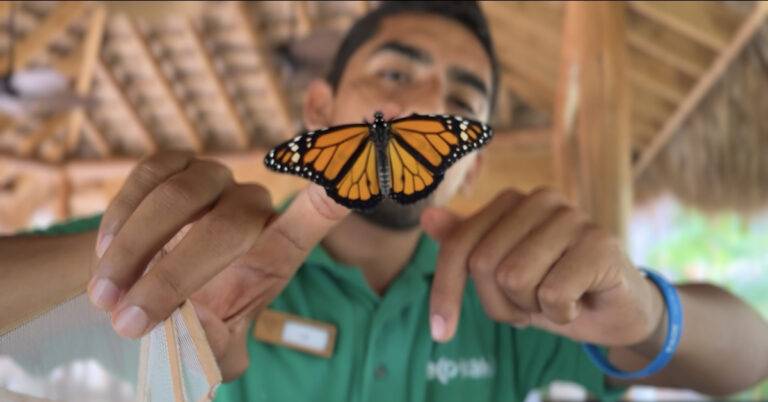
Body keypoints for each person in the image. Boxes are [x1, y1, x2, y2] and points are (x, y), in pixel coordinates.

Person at [4, 2, 767, 401]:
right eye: (396, 76)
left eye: (461, 104)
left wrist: (651, 311)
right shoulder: (202, 252)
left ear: (470, 163)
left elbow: (751, 355)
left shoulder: (514, 295)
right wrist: (121, 263)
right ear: (318, 111)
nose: (428, 106)